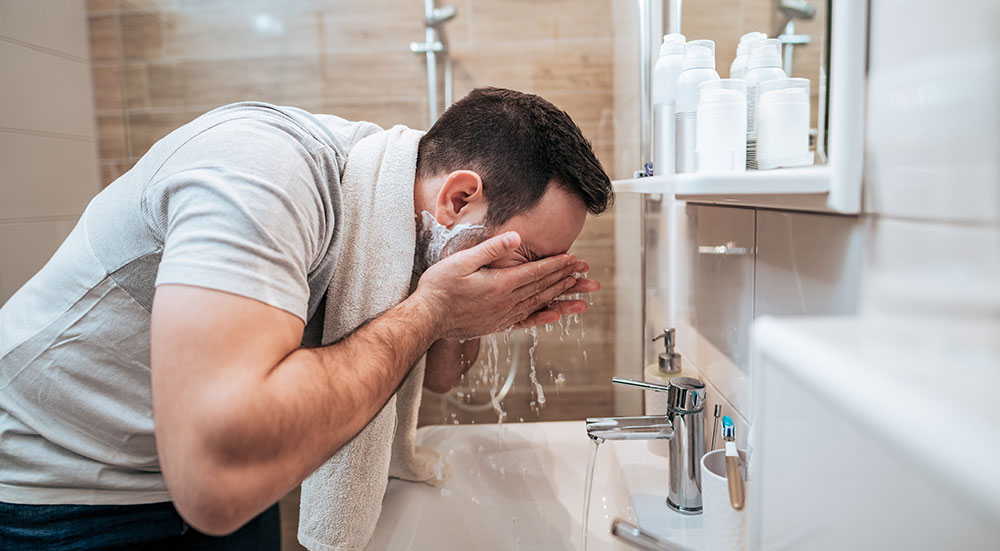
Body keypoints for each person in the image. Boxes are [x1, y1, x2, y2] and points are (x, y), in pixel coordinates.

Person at [0, 87, 613, 550]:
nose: (529, 279)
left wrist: (467, 315)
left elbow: (441, 377)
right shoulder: (262, 173)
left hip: (229, 482)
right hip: (60, 487)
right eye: (526, 259)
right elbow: (215, 476)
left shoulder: (400, 206)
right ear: (457, 199)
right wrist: (432, 310)